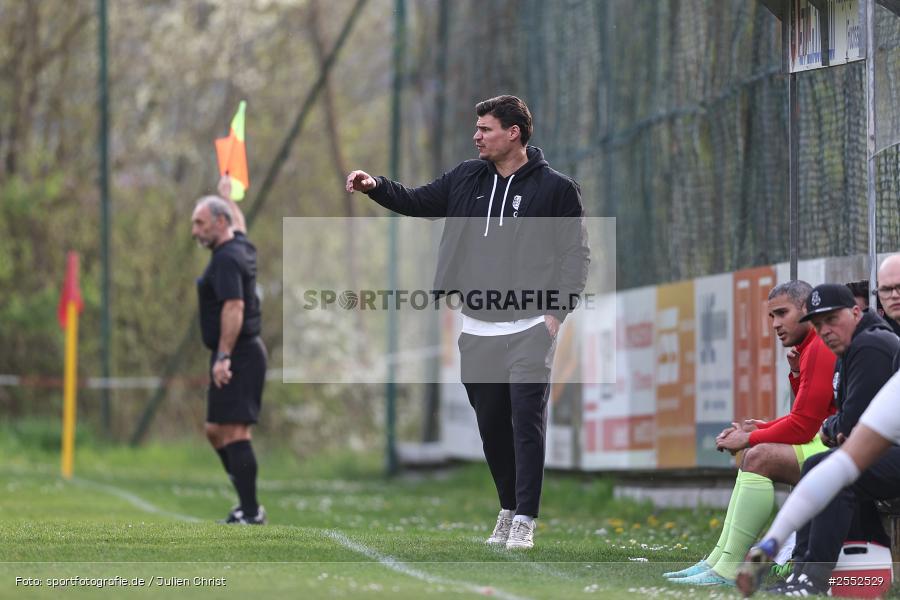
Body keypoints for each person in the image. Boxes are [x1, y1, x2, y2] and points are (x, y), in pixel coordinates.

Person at [345, 95, 590, 550]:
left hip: (529, 327)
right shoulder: (465, 177)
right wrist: (374, 184)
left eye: (486, 128)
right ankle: (506, 508)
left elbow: (575, 255)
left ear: (513, 132)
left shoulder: (556, 188)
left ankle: (526, 520)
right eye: (476, 128)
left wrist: (555, 314)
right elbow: (417, 201)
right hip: (477, 326)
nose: (476, 136)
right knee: (492, 426)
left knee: (526, 425)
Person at [664, 280, 835, 586]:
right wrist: (762, 427)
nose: (775, 324)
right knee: (753, 455)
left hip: (840, 449)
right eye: (771, 316)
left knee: (757, 456)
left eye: (782, 313)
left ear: (806, 310)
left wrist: (751, 437)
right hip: (826, 441)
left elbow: (805, 425)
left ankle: (727, 570)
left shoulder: (819, 347)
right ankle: (717, 560)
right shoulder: (808, 349)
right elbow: (810, 414)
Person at [736, 282, 899, 596]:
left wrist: (834, 427)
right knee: (822, 465)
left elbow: (844, 425)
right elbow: (844, 438)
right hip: (882, 450)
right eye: (818, 323)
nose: (825, 330)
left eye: (832, 319)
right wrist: (771, 544)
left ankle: (813, 578)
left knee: (833, 471)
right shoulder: (850, 346)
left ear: (855, 312)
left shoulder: (871, 346)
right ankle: (802, 572)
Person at [191, 195, 267, 525]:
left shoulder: (225, 260)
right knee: (214, 430)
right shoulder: (239, 245)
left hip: (239, 354)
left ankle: (250, 512)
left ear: (220, 223)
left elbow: (233, 307)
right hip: (234, 352)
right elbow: (241, 224)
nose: (195, 231)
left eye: (200, 223)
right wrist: (227, 193)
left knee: (235, 432)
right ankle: (247, 504)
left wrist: (223, 356)